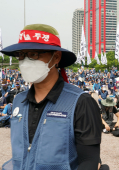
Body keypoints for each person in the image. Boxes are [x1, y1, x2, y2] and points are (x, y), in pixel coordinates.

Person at [1, 24, 102, 170]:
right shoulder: (18, 101)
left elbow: (89, 161)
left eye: (33, 54)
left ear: (56, 57)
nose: (25, 61)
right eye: (21, 55)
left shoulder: (80, 102)